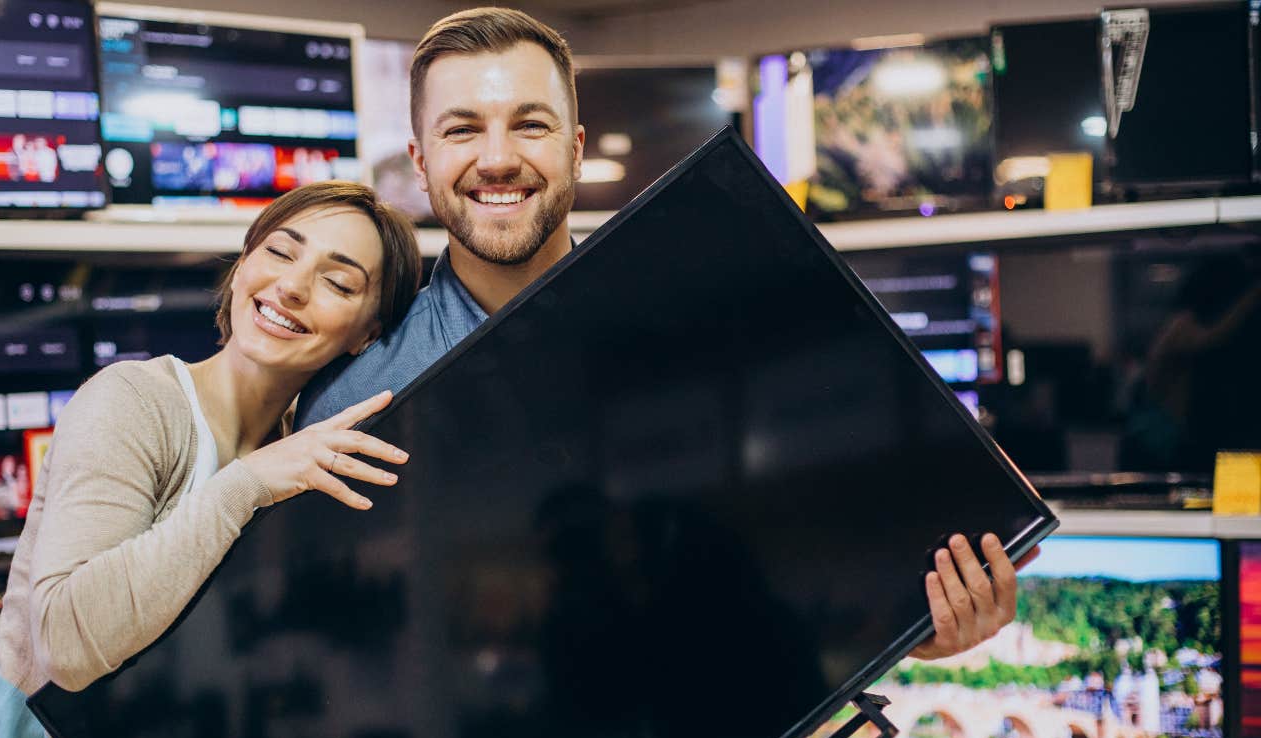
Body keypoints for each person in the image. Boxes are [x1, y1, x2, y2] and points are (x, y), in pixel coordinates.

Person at [298, 7, 1035, 666]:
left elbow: (779, 579)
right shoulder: (358, 402)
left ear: (576, 147)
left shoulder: (712, 322)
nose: (497, 158)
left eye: (530, 123)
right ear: (421, 161)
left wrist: (914, 625)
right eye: (462, 129)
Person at [0, 181, 422, 738]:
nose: (292, 286)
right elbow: (65, 645)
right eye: (279, 251)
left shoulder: (304, 447)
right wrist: (244, 486)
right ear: (244, 263)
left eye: (338, 282)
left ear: (367, 334)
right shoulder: (133, 401)